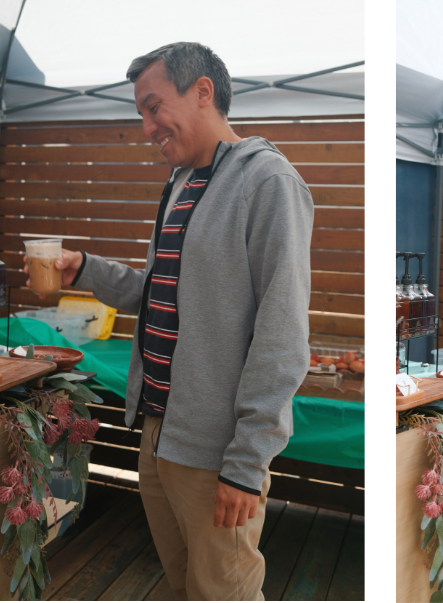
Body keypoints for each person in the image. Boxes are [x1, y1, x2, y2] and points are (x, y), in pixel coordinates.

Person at [24, 42, 313, 600]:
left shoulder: (268, 181)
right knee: (185, 590)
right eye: (141, 113)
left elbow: (283, 335)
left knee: (225, 594)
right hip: (158, 436)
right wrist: (85, 269)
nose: (146, 127)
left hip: (216, 450)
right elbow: (162, 291)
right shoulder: (181, 183)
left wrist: (246, 463)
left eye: (154, 107)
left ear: (203, 91)